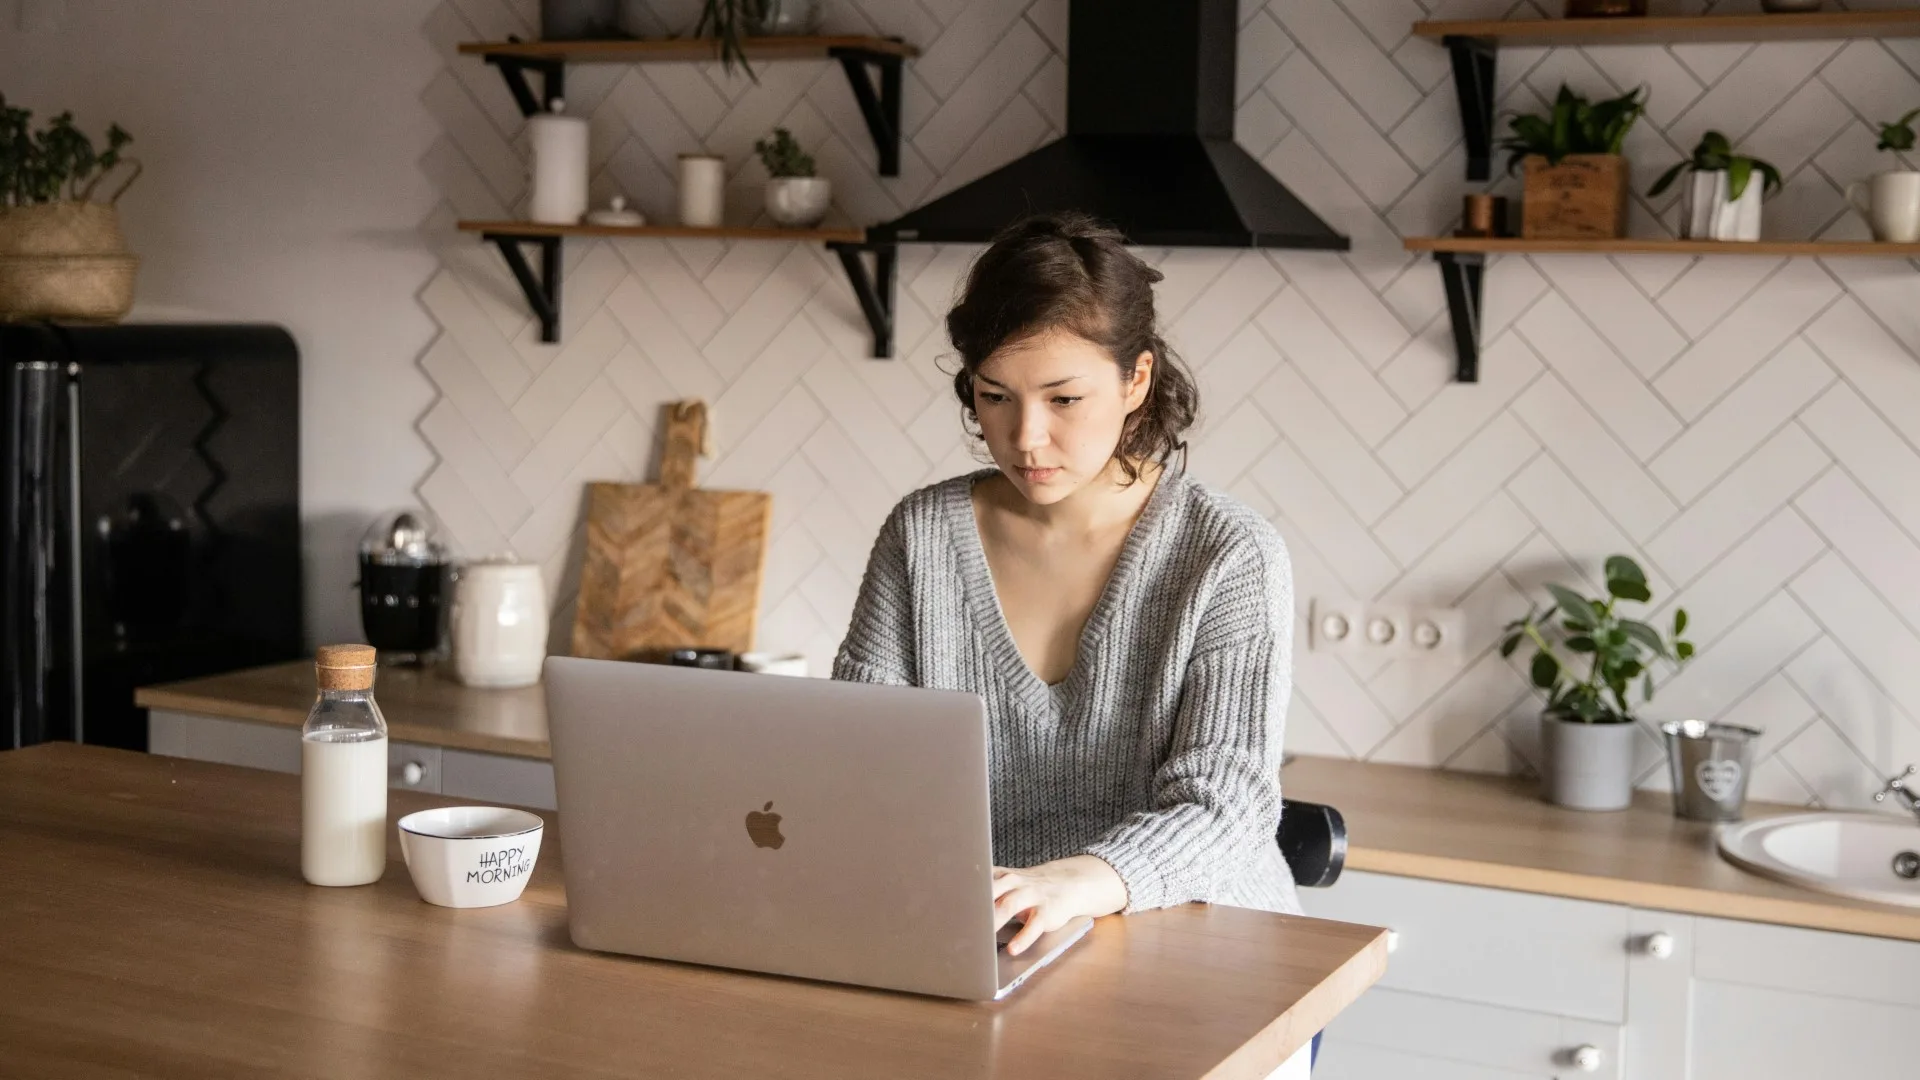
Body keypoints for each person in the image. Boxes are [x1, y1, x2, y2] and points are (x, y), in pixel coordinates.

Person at [832, 213, 1311, 1077]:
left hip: (1201, 960)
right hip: (984, 949)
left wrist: (1073, 880)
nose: (1025, 438)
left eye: (1063, 398)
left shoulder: (1227, 555)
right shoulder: (923, 534)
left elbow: (1228, 807)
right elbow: (860, 756)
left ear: (1135, 380)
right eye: (994, 396)